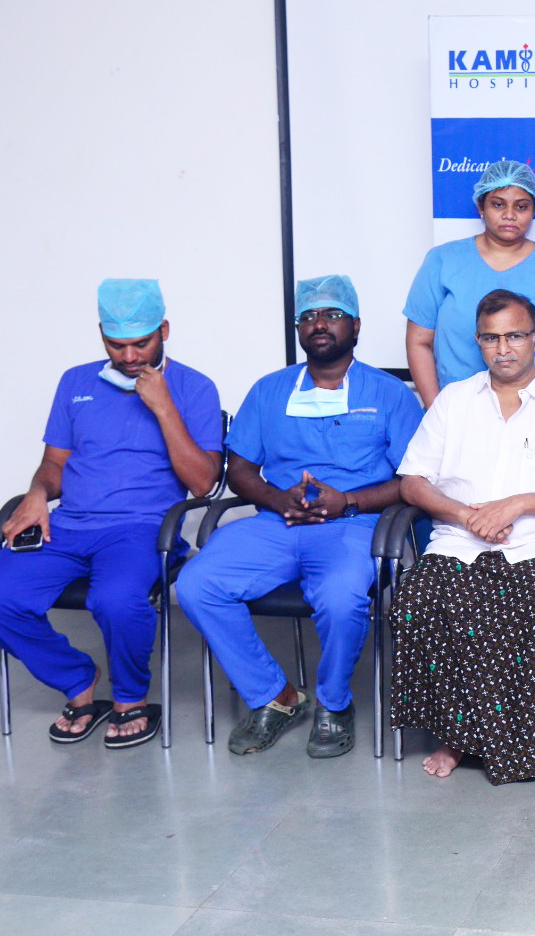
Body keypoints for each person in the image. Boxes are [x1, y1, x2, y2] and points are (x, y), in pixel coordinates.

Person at [177, 275, 424, 759]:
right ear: (298, 329)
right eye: (308, 316)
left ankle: (334, 702)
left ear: (356, 325)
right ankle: (275, 696)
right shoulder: (269, 391)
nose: (319, 324)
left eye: (332, 314)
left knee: (341, 598)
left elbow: (414, 480)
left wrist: (347, 501)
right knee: (197, 583)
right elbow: (239, 469)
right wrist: (277, 499)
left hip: (353, 525)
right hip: (278, 523)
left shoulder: (389, 393)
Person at [0, 279, 222, 748]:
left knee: (116, 599)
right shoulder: (75, 382)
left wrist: (163, 406)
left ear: (164, 330)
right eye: (116, 344)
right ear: (101, 335)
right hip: (68, 525)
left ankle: (130, 699)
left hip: (141, 528)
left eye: (140, 343)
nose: (129, 356)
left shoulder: (195, 387)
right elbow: (54, 464)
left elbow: (203, 483)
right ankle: (78, 681)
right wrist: (36, 494)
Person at [390, 289, 535, 784]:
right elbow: (412, 482)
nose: (503, 348)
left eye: (515, 336)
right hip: (459, 540)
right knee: (417, 600)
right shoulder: (453, 401)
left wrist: (517, 504)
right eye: (491, 338)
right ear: (478, 342)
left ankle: (513, 744)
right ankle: (456, 736)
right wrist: (462, 513)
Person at [404, 160, 535, 431]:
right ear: (481, 207)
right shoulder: (442, 261)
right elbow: (419, 341)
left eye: (521, 206)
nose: (509, 214)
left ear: (534, 209)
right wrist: (436, 411)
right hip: (460, 417)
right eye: (498, 204)